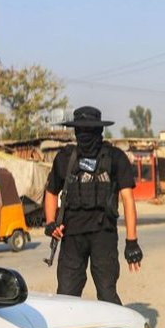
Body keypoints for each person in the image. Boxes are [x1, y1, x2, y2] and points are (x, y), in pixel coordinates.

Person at [44, 106, 143, 305]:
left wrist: (131, 241)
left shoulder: (115, 158)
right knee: (66, 296)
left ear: (100, 131)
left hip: (103, 235)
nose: (85, 135)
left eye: (90, 131)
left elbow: (128, 199)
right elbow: (51, 191)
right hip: (71, 235)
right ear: (75, 132)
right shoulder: (65, 158)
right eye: (81, 131)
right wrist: (50, 223)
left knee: (107, 295)